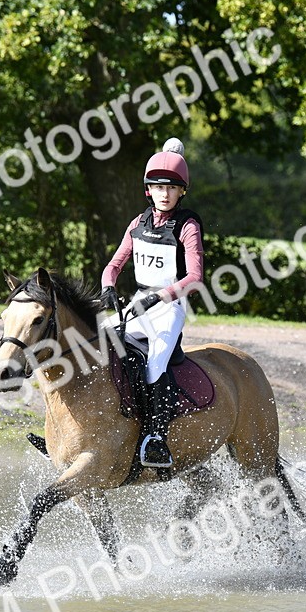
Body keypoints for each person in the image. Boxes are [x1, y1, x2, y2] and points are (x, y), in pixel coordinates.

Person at [100, 138, 205, 468]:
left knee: (155, 364)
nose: (164, 193)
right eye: (158, 187)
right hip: (138, 304)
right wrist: (107, 287)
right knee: (99, 348)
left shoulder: (187, 225)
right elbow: (115, 264)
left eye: (171, 188)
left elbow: (195, 278)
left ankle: (156, 438)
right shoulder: (137, 223)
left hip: (168, 308)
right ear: (149, 190)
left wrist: (159, 297)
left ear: (181, 191)